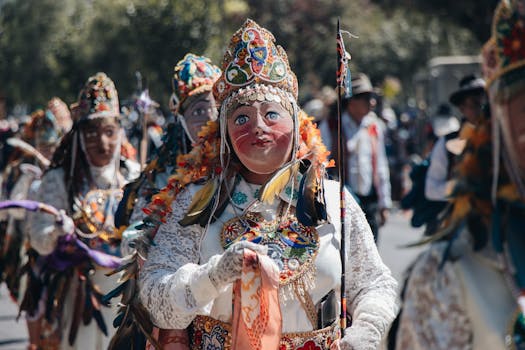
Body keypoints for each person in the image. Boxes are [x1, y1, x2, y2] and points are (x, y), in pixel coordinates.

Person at [138, 19, 397, 350]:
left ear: (296, 123)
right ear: (225, 135)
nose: (258, 126)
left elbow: (374, 283)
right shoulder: (195, 204)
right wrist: (212, 277)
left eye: (272, 115)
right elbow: (156, 299)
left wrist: (367, 330)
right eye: (241, 118)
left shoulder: (331, 200)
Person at [391, 1, 525, 349]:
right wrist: (461, 189)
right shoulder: (450, 271)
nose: (470, 107)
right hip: (463, 223)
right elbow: (434, 188)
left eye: (475, 99)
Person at [28, 72, 139, 349]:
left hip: (126, 299)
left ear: (120, 134)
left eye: (110, 132)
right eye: (92, 133)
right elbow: (38, 240)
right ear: (78, 136)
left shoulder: (135, 178)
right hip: (78, 296)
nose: (102, 143)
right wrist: (56, 230)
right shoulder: (59, 180)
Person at [320, 73, 392, 242]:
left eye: (372, 98)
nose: (372, 103)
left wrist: (384, 203)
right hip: (343, 202)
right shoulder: (332, 127)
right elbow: (321, 164)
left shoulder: (374, 127)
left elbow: (381, 166)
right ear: (351, 102)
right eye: (366, 99)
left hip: (369, 200)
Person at [425, 77, 486, 202]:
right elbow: (431, 189)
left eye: (486, 104)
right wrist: (460, 188)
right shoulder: (446, 143)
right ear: (462, 108)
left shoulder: (505, 139)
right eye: (475, 104)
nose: (482, 110)